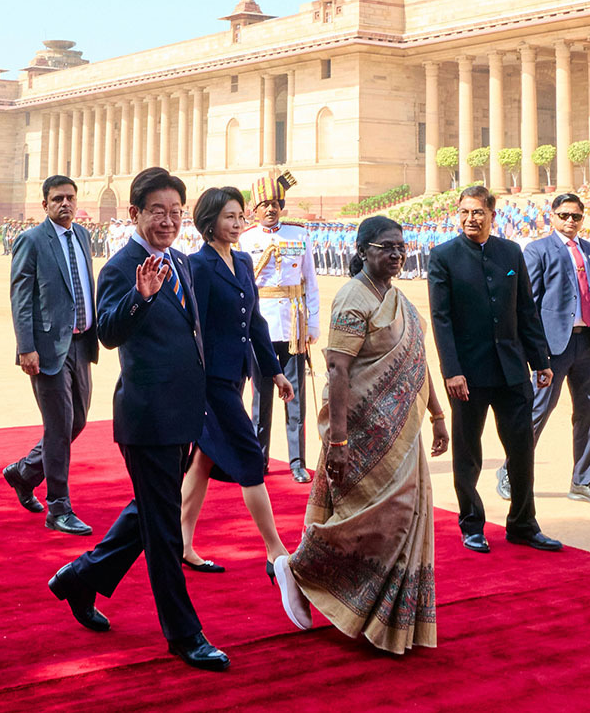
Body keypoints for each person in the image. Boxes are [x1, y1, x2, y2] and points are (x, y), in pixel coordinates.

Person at [46, 168, 229, 672]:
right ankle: (185, 635)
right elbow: (106, 333)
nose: (169, 221)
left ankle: (80, 578)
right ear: (135, 214)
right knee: (165, 528)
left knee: (148, 511)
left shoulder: (183, 263)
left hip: (184, 414)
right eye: (157, 212)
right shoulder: (124, 266)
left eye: (176, 212)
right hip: (147, 417)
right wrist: (140, 297)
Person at [273, 216, 449, 653]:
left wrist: (438, 414)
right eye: (386, 247)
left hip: (403, 434)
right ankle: (298, 568)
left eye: (401, 248)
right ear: (362, 251)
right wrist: (338, 440)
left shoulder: (398, 299)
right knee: (375, 523)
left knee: (403, 521)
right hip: (364, 437)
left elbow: (417, 360)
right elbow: (338, 368)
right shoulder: (353, 298)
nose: (396, 255)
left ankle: (384, 622)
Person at [427, 186, 561, 554]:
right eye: (465, 212)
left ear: (492, 214)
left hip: (512, 370)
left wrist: (541, 361)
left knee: (521, 450)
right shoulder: (443, 256)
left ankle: (522, 524)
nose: (471, 218)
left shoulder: (510, 252)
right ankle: (472, 524)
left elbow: (525, 310)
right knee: (468, 454)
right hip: (467, 376)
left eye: (478, 212)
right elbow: (442, 320)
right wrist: (451, 371)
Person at [178, 187, 296, 575]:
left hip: (236, 375)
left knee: (203, 460)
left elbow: (255, 323)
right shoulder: (198, 266)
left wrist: (274, 370)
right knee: (249, 457)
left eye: (239, 216)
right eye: (229, 216)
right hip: (210, 380)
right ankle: (274, 549)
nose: (237, 223)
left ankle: (181, 543)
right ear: (209, 222)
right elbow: (194, 330)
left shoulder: (243, 262)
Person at [496, 193, 590, 507]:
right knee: (538, 411)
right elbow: (526, 304)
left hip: (587, 344)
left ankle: (582, 482)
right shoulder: (538, 250)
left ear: (583, 219)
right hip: (552, 348)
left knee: (588, 413)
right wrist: (530, 349)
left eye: (576, 216)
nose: (570, 221)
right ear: (552, 217)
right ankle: (509, 471)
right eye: (564, 215)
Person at [2, 175, 98, 536]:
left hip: (81, 342)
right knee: (58, 427)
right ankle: (59, 507)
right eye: (57, 198)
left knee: (77, 422)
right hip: (46, 349)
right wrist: (25, 347)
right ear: (44, 204)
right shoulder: (32, 240)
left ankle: (25, 472)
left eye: (70, 198)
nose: (65, 204)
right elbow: (21, 298)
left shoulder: (83, 236)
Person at [240, 170, 320, 483]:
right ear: (254, 209)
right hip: (260, 328)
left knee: (295, 397)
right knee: (260, 401)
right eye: (264, 204)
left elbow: (310, 282)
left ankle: (297, 461)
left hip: (292, 328)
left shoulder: (299, 235)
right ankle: (259, 459)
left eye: (275, 203)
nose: (271, 209)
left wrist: (312, 322)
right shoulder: (246, 240)